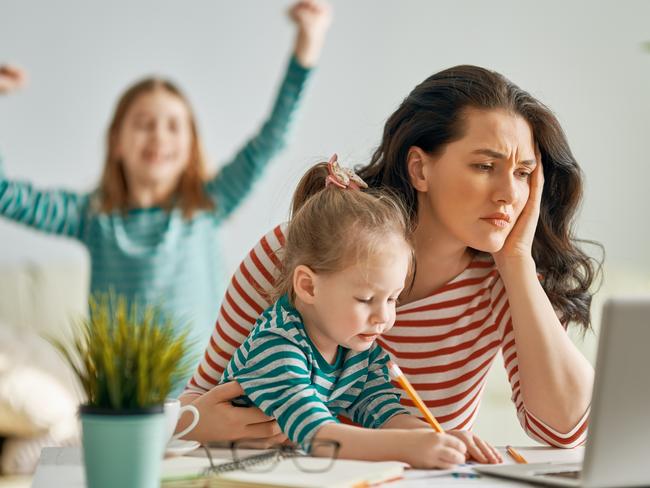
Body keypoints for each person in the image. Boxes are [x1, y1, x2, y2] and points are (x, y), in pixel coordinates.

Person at [180, 65, 599, 451]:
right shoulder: (295, 252)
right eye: (485, 166)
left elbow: (564, 431)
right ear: (420, 169)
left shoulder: (503, 280)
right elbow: (196, 400)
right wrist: (197, 424)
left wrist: (518, 263)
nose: (509, 193)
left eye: (523, 173)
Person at [0, 0, 332, 394]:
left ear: (191, 146)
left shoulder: (208, 205)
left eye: (174, 126)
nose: (159, 136)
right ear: (117, 143)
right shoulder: (93, 216)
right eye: (143, 124)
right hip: (122, 400)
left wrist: (306, 46)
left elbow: (271, 139)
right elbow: (6, 195)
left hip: (204, 394)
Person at [218, 155, 501, 468]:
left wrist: (440, 437)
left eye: (393, 299)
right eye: (366, 299)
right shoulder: (276, 347)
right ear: (309, 287)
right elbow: (317, 436)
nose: (384, 318)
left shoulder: (354, 349)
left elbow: (385, 414)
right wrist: (409, 446)